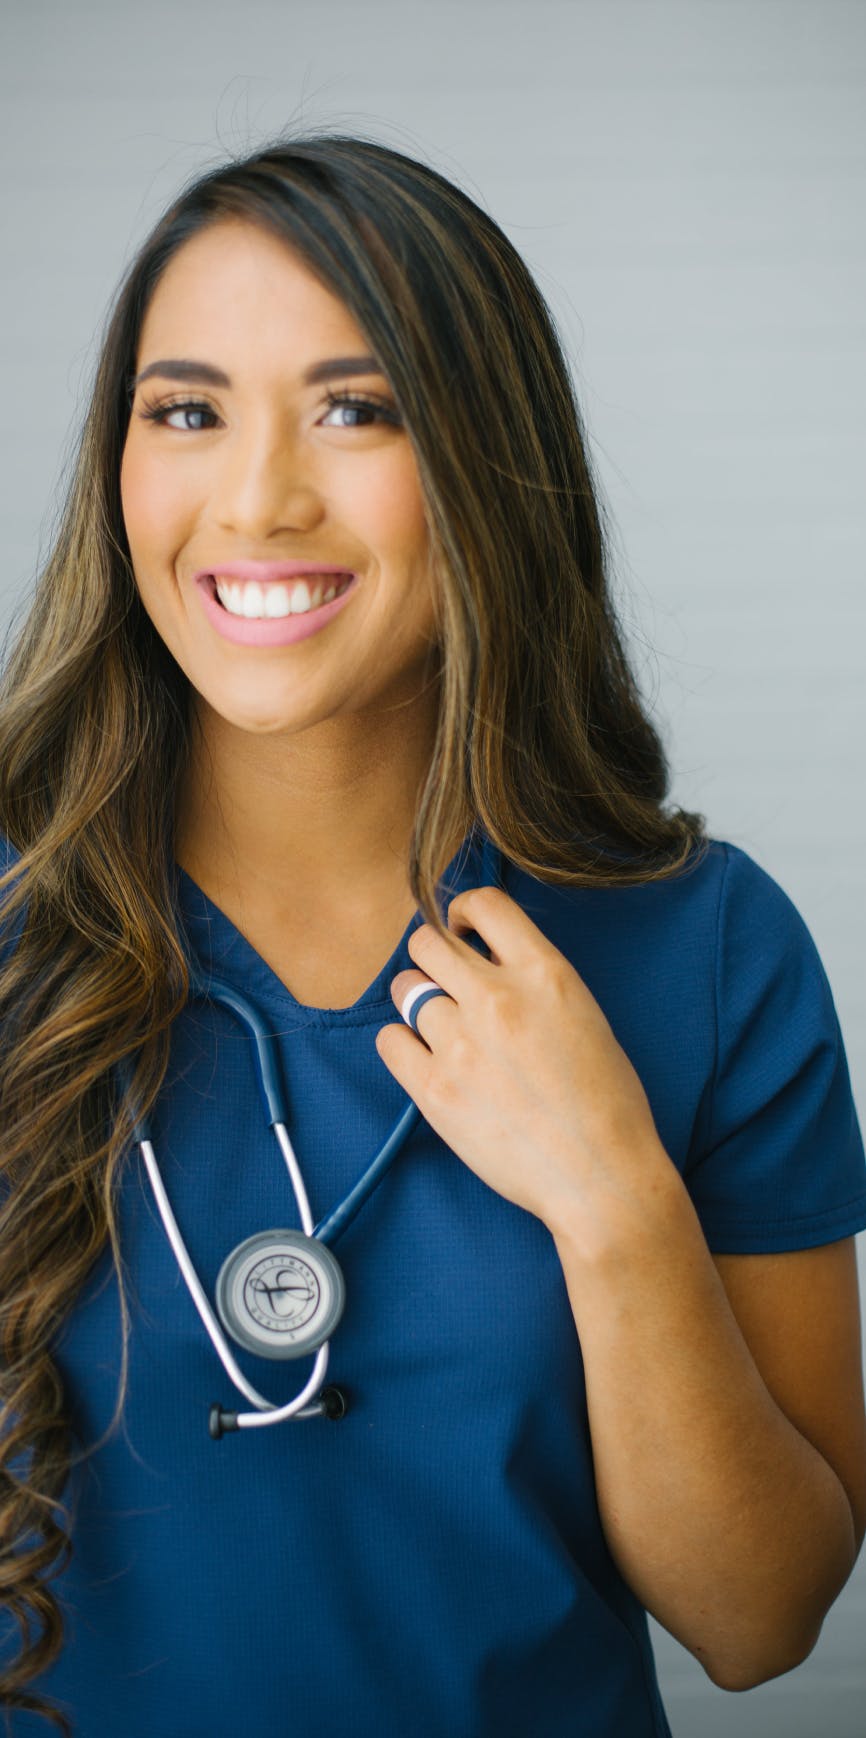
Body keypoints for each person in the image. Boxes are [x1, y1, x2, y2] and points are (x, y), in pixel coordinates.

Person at [0, 131, 864, 1738]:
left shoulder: (712, 950)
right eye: (185, 411)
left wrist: (614, 1196)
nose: (256, 498)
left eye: (356, 408)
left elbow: (757, 1622)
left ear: (483, 455)